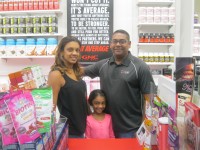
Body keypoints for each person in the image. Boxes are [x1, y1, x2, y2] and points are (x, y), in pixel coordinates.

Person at [84, 29, 155, 138]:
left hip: (130, 129)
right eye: (115, 41)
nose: (118, 44)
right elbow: (79, 72)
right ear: (110, 44)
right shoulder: (102, 65)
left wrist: (144, 126)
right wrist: (59, 68)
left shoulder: (140, 67)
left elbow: (149, 100)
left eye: (122, 41)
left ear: (129, 44)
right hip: (106, 126)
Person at [48, 36, 88, 138]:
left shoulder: (77, 71)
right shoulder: (56, 74)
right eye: (70, 50)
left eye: (77, 50)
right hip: (68, 132)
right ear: (61, 52)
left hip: (81, 129)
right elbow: (50, 108)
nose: (74, 53)